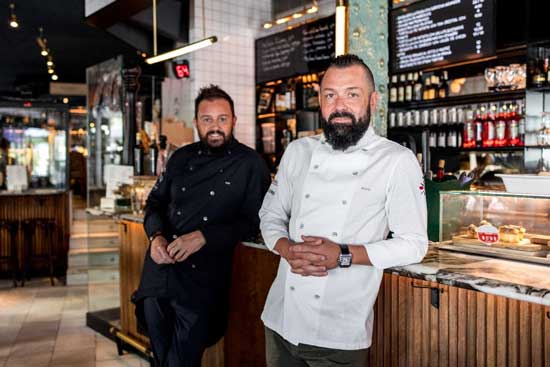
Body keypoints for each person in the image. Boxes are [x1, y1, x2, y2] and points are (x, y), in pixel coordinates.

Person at [259, 54, 428, 366]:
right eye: (330, 95)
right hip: (280, 320)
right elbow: (270, 216)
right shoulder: (298, 152)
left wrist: (343, 255)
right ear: (320, 100)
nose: (339, 106)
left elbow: (414, 243)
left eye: (352, 94)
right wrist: (287, 249)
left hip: (338, 333)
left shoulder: (396, 160)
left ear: (372, 100)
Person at [132, 85, 271, 367]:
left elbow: (255, 221)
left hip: (202, 279)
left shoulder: (251, 164)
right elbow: (154, 203)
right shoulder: (180, 158)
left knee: (182, 361)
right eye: (207, 119)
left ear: (234, 120)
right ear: (196, 122)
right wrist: (155, 237)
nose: (215, 127)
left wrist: (205, 236)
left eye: (222, 119)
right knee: (160, 358)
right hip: (160, 272)